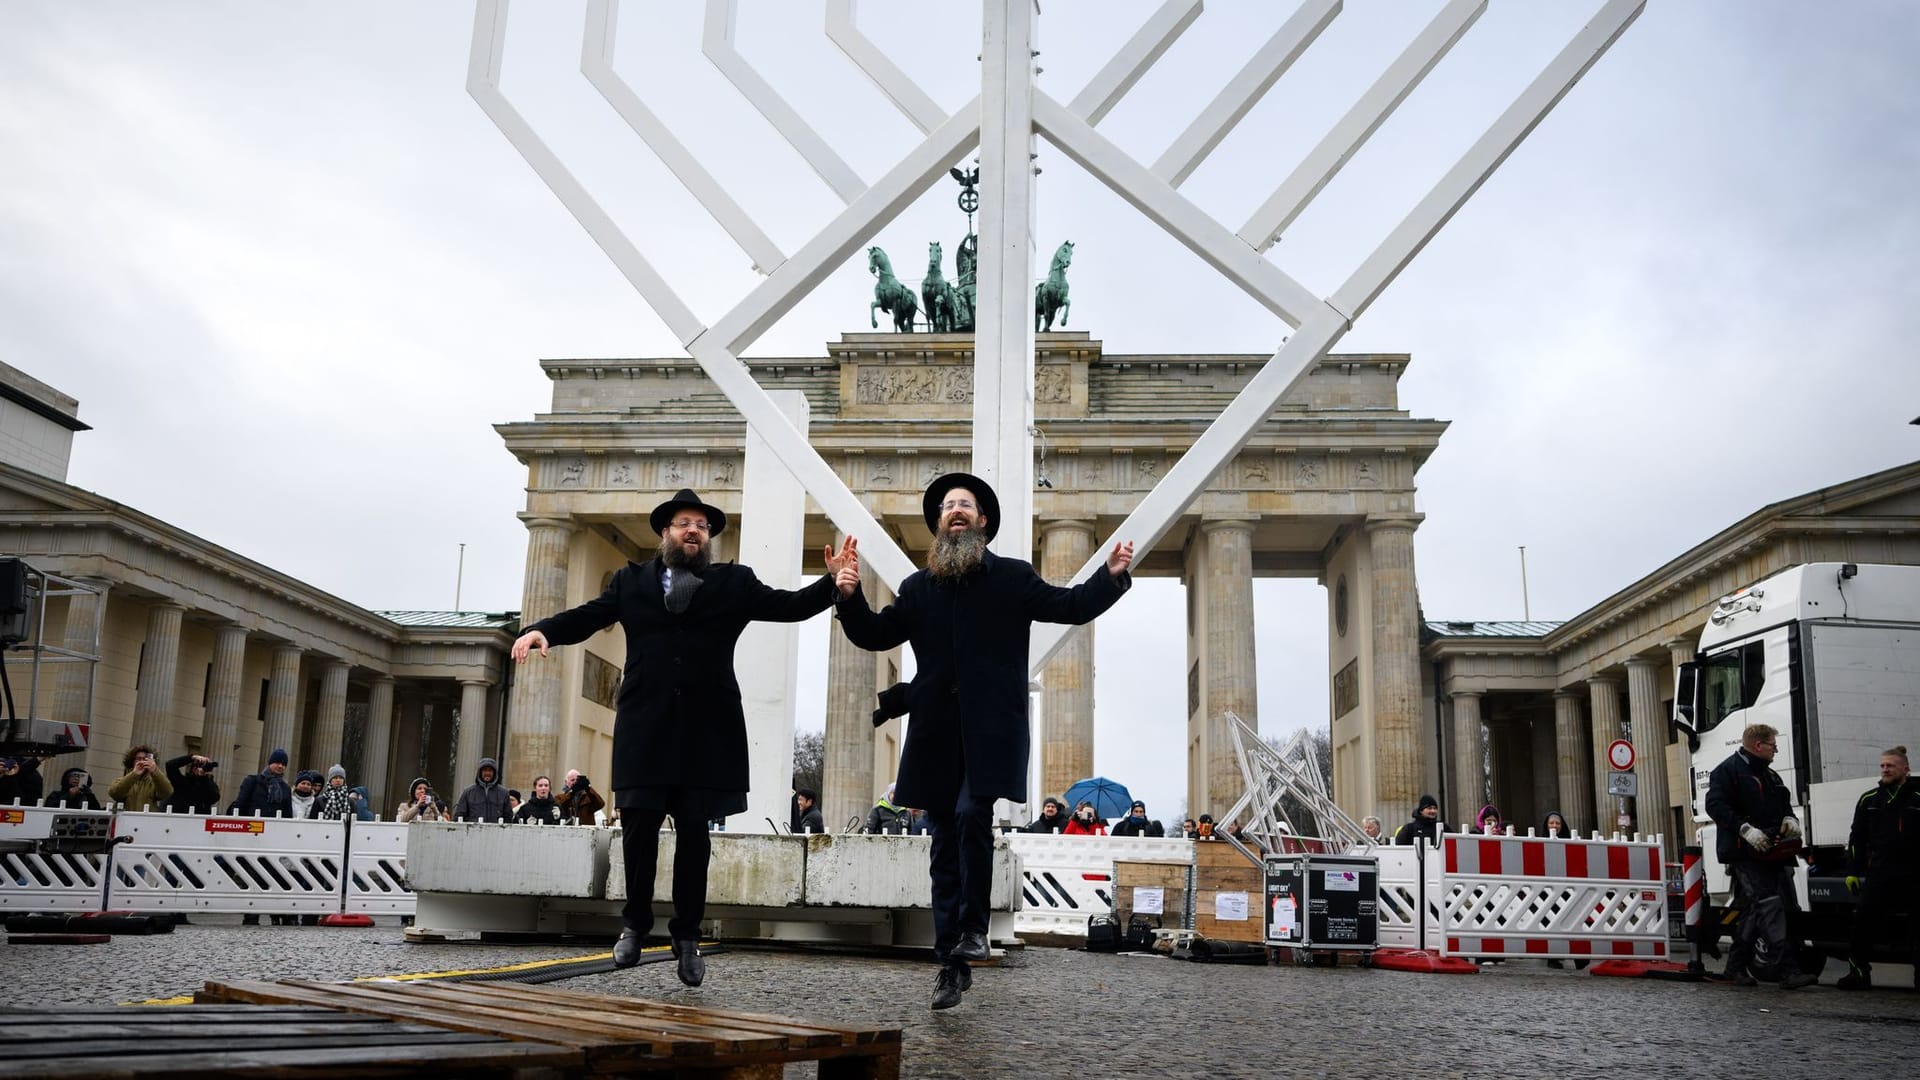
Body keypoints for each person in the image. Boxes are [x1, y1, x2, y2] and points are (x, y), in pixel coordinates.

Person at [510, 488, 854, 985]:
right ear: (664, 533)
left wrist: (833, 585)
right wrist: (543, 629)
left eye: (701, 525)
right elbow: (587, 616)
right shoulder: (631, 582)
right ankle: (634, 925)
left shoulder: (734, 583)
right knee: (639, 834)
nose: (692, 530)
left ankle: (687, 936)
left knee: (695, 839)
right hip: (645, 729)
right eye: (682, 523)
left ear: (709, 536)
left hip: (707, 733)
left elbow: (789, 606)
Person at [831, 471, 1134, 1010]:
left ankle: (973, 931)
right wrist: (849, 596)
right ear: (939, 524)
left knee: (973, 814)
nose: (955, 510)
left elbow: (1068, 607)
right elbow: (874, 634)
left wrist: (1109, 578)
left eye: (965, 504)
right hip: (933, 733)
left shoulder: (1012, 578)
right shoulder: (918, 589)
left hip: (991, 730)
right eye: (948, 505)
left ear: (983, 521)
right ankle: (950, 962)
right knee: (942, 841)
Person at [1705, 723, 1817, 989]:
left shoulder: (1769, 776)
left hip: (1771, 851)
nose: (1776, 750)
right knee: (1770, 906)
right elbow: (1715, 806)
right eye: (1773, 745)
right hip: (1744, 852)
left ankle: (1734, 969)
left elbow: (1783, 802)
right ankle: (1789, 971)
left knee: (1756, 910)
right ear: (1758, 745)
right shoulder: (1727, 771)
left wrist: (1789, 818)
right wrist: (1744, 830)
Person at [1836, 746, 1919, 990]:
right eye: (1882, 765)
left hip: (1914, 875)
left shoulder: (1917, 798)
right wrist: (1852, 871)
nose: (1885, 769)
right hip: (1880, 874)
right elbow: (1857, 839)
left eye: (1890, 765)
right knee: (1862, 924)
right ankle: (1858, 973)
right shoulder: (1869, 799)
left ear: (1905, 769)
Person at [231, 749, 294, 818]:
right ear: (270, 763)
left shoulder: (286, 788)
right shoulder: (252, 781)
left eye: (283, 764)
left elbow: (287, 813)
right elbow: (240, 804)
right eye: (277, 763)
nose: (280, 766)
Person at [107, 745, 172, 812]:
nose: (142, 761)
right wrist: (134, 774)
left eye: (145, 759)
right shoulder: (122, 780)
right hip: (125, 820)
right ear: (132, 761)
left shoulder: (153, 783)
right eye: (138, 759)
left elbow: (167, 792)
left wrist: (155, 771)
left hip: (146, 820)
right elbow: (114, 793)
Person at [453, 758, 511, 823]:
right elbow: (459, 816)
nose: (487, 773)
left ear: (494, 773)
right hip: (473, 831)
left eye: (490, 770)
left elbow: (508, 817)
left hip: (496, 831)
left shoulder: (504, 793)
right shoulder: (468, 792)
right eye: (485, 770)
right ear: (480, 772)